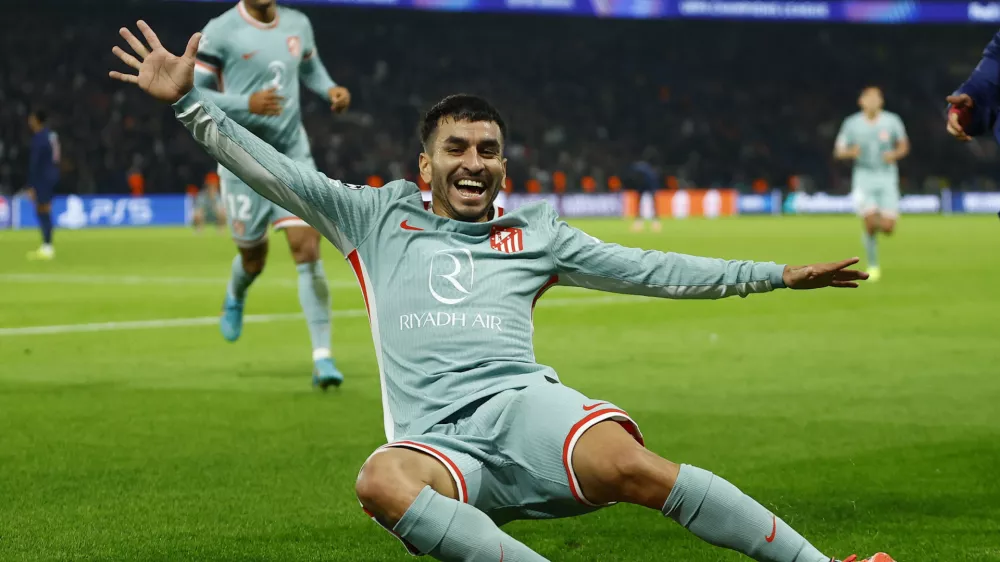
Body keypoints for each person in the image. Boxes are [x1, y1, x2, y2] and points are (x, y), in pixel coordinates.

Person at [110, 22, 893, 562]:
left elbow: (649, 270)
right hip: (439, 441)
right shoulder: (372, 215)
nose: (474, 161)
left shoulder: (536, 233)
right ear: (427, 166)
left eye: (488, 150)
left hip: (527, 411)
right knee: (379, 481)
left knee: (636, 466)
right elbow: (274, 170)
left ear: (504, 169)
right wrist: (189, 102)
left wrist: (775, 276)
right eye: (457, 148)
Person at [189, 0, 352, 388]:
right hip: (239, 156)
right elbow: (193, 91)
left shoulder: (298, 23)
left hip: (291, 154)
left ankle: (323, 357)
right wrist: (246, 103)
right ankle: (237, 289)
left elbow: (309, 66)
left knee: (307, 248)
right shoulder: (221, 30)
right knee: (253, 260)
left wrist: (330, 89)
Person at [833, 87, 909, 282]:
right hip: (863, 177)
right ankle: (873, 264)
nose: (873, 101)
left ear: (881, 102)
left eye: (877, 98)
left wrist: (894, 154)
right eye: (869, 98)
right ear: (861, 101)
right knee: (869, 221)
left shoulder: (892, 121)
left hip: (887, 176)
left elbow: (903, 145)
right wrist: (850, 153)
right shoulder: (852, 123)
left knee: (888, 227)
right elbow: (838, 151)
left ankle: (872, 225)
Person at [25, 110, 61, 261]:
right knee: (44, 210)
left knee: (42, 210)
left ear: (37, 120)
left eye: (32, 119)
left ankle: (47, 247)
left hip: (42, 179)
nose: (29, 122)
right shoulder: (52, 136)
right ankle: (47, 245)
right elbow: (56, 157)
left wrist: (32, 185)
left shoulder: (39, 138)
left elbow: (35, 164)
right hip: (52, 175)